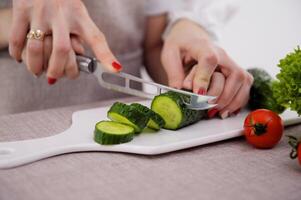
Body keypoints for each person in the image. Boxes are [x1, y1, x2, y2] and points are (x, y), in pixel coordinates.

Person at [0, 0, 253, 118]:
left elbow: (152, 46)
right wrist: (16, 26)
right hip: (13, 129)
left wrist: (187, 36)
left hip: (121, 137)